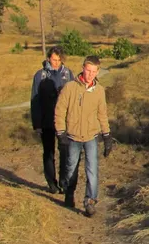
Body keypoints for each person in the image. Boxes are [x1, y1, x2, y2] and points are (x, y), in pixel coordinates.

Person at [54, 55, 113, 216]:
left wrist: (107, 135)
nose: (90, 74)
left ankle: (90, 201)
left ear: (98, 72)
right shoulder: (70, 87)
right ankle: (69, 192)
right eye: (88, 70)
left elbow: (102, 114)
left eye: (94, 71)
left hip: (91, 136)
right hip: (72, 136)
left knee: (92, 169)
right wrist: (61, 132)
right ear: (83, 68)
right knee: (71, 168)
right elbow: (60, 111)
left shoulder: (99, 91)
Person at [30, 46, 74, 194]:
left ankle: (64, 181)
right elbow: (35, 100)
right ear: (49, 58)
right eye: (54, 60)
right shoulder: (40, 75)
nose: (56, 63)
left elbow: (73, 98)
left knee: (65, 151)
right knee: (48, 152)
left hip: (64, 121)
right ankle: (51, 183)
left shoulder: (67, 74)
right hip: (46, 120)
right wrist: (37, 123)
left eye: (59, 60)